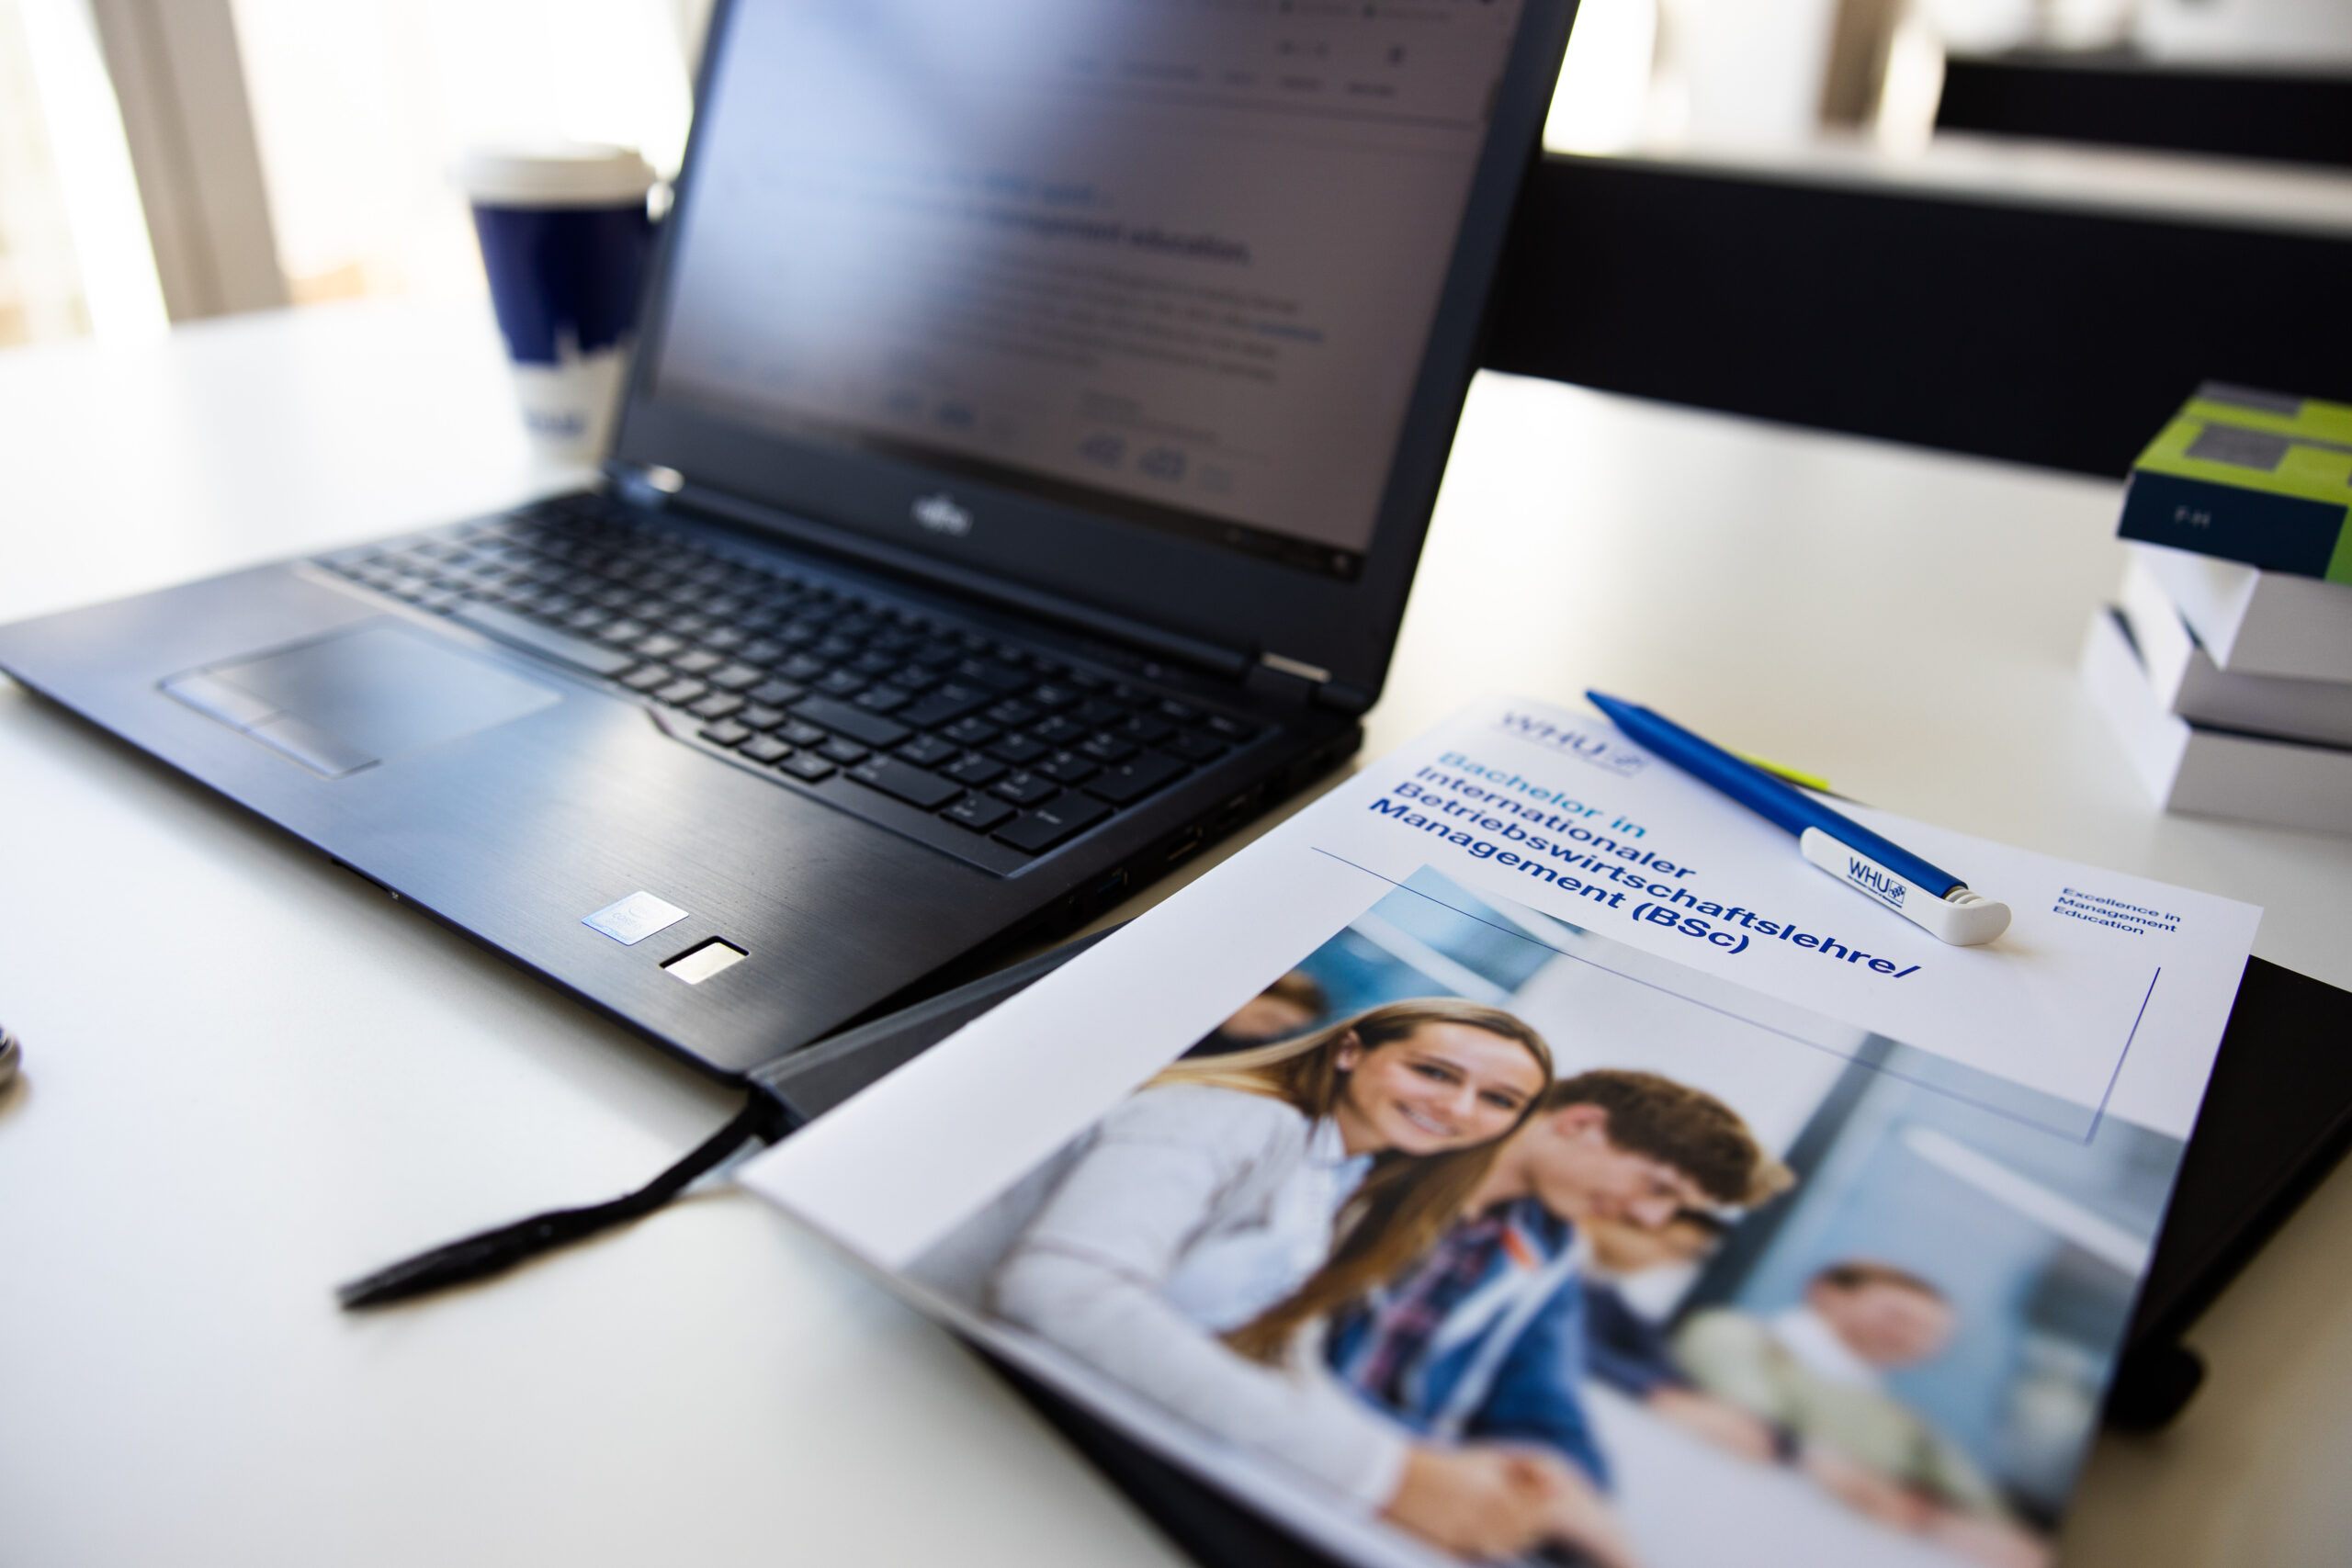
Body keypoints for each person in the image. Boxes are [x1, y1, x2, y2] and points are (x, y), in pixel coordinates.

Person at [985, 998, 1617, 1562]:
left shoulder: (1343, 1180)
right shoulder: (1224, 1119)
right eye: (1433, 1071)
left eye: (1498, 1100)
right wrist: (1386, 1474)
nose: (1457, 1107)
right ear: (1349, 1050)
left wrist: (1446, 1475)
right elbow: (1057, 1291)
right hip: (979, 1404)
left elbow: (1285, 1359)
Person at [1328, 1070, 1785, 1493]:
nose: (1649, 1219)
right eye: (1659, 1188)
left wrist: (1563, 1496)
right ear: (1578, 1123)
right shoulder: (1360, 1168)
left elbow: (1547, 1412)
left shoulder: (1549, 1255)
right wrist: (1433, 1466)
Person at [1674, 1261, 2051, 1568]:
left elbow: (1988, 1516)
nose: (1909, 1336)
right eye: (1899, 1316)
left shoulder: (1906, 1424)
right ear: (1827, 1292)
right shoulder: (1735, 1334)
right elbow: (1753, 1425)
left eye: (1929, 1335)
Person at [1580, 1212, 1784, 1461]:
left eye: (1690, 1257)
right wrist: (1658, 1394)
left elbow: (1660, 1361)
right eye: (1674, 1247)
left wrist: (1782, 1443)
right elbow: (1566, 1341)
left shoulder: (1605, 1295)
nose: (1675, 1262)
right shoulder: (1556, 1271)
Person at [1189, 968, 1328, 1055]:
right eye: (1268, 1018)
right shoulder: (1193, 999)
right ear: (1258, 993)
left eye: (1283, 1030)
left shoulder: (1239, 1056)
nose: (1267, 1031)